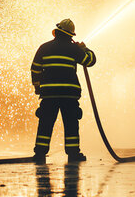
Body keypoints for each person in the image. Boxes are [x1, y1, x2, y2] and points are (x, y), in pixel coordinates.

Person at [30, 18, 96, 163]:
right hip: (69, 95)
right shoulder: (74, 49)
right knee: (71, 124)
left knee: (45, 123)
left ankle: (40, 154)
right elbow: (90, 61)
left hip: (49, 94)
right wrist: (84, 48)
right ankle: (73, 154)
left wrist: (37, 87)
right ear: (71, 35)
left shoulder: (44, 47)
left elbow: (35, 68)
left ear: (57, 32)